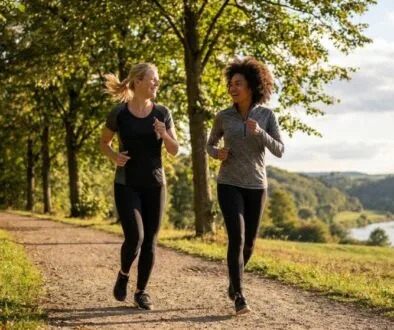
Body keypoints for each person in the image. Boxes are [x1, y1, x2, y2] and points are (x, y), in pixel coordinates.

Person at [207, 57, 284, 315]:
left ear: (252, 85)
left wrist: (261, 133)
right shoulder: (223, 116)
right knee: (237, 239)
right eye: (231, 84)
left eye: (238, 83)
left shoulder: (267, 115)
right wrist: (217, 153)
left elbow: (280, 150)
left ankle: (234, 279)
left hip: (256, 186)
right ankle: (239, 295)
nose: (233, 88)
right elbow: (210, 145)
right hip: (228, 183)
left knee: (249, 243)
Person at [100, 63, 178, 310]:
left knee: (150, 241)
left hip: (155, 185)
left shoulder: (162, 113)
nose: (157, 84)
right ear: (138, 82)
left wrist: (164, 134)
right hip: (127, 184)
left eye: (157, 80)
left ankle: (141, 291)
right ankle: (123, 274)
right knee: (135, 236)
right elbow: (104, 142)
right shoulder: (119, 113)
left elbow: (174, 150)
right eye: (153, 80)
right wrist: (114, 156)